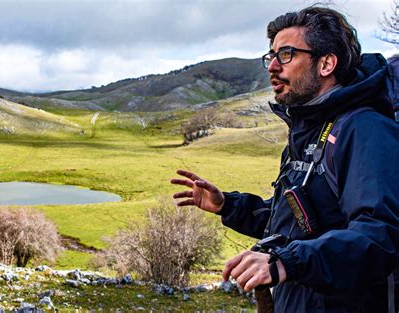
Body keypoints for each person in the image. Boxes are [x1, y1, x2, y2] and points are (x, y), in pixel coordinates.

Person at [171, 6, 399, 313]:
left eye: (287, 54)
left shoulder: (364, 130)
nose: (272, 67)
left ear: (326, 63)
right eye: (271, 56)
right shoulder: (308, 129)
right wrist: (229, 205)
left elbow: (379, 238)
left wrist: (284, 263)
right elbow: (299, 222)